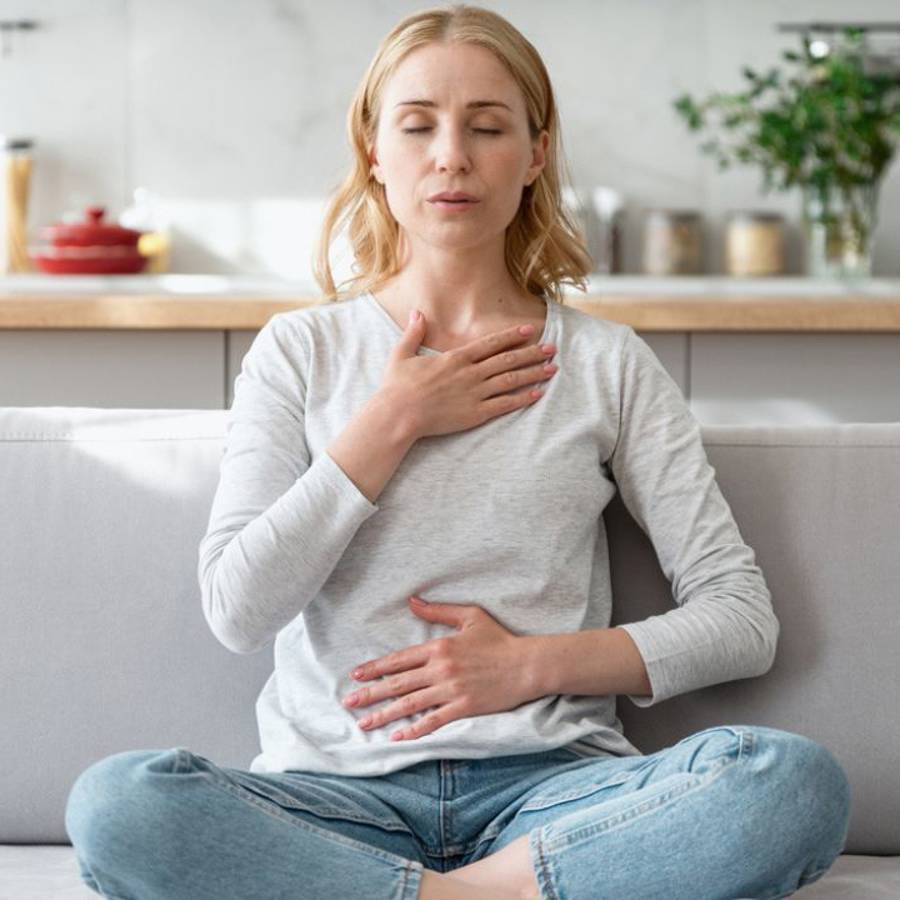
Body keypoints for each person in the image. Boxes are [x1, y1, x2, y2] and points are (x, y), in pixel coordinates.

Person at [65, 5, 851, 899]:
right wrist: (391, 419)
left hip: (553, 791)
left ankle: (442, 889)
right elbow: (238, 609)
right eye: (418, 125)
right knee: (118, 805)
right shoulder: (299, 352)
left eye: (487, 127)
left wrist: (529, 665)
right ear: (374, 151)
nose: (452, 156)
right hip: (334, 799)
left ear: (535, 153)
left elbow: (741, 620)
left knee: (790, 784)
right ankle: (489, 893)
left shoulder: (605, 363)